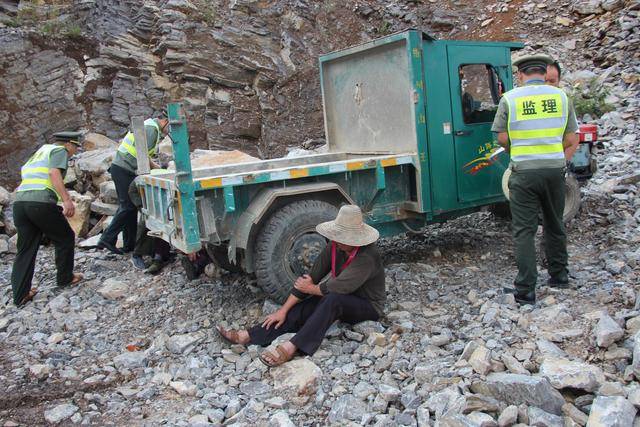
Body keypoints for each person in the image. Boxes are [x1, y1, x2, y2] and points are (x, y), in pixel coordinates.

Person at [216, 205, 386, 367]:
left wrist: (310, 289)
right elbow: (311, 278)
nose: (338, 240)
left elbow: (339, 287)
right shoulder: (335, 247)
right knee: (303, 308)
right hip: (339, 297)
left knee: (332, 300)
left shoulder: (368, 256)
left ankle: (293, 345)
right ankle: (248, 336)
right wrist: (283, 310)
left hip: (367, 305)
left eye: (343, 238)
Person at [491, 54, 579, 305]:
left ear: (520, 74)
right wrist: (549, 148)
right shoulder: (561, 97)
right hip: (554, 171)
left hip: (524, 173)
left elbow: (502, 139)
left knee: (524, 231)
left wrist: (521, 150)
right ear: (544, 72)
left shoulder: (510, 99)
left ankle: (526, 289)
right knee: (554, 223)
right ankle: (559, 276)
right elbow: (571, 137)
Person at [10, 132, 84, 307]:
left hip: (20, 203)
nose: (74, 151)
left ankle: (20, 294)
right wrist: (66, 200)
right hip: (40, 202)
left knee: (25, 248)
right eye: (75, 147)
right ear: (68, 144)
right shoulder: (59, 151)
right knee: (65, 237)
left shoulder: (39, 153)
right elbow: (53, 173)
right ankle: (65, 278)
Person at [97, 115, 169, 255]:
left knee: (129, 207)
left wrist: (157, 168)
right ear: (165, 121)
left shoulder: (149, 126)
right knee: (128, 206)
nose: (169, 131)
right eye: (170, 127)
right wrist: (158, 169)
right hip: (125, 169)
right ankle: (106, 239)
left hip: (123, 168)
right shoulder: (152, 129)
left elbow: (144, 156)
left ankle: (128, 244)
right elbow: (143, 156)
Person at [128, 178, 171, 273]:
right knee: (147, 221)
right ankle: (138, 254)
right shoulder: (142, 182)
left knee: (165, 222)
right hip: (145, 189)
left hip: (161, 190)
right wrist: (141, 205)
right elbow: (132, 190)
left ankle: (159, 256)